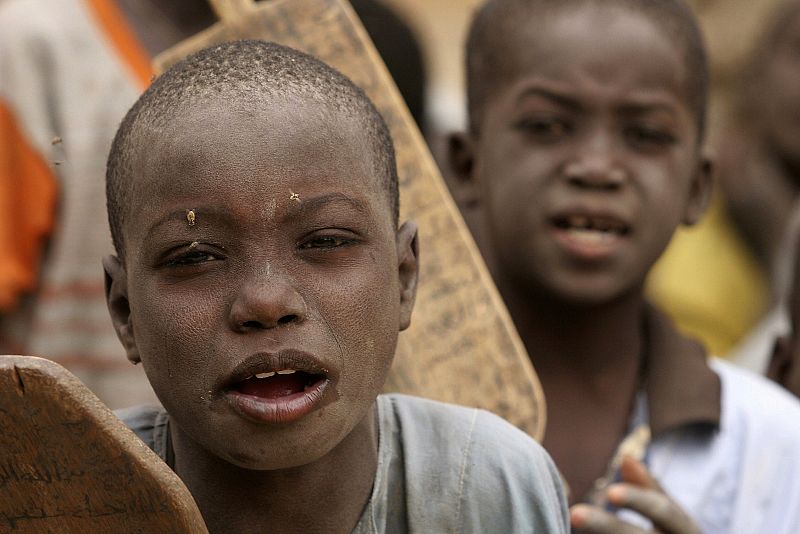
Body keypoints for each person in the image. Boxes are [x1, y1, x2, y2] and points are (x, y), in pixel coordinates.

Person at [106, 40, 569, 533]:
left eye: (325, 242)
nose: (266, 303)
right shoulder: (60, 494)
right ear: (125, 311)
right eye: (196, 256)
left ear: (403, 278)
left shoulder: (484, 487)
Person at [449, 0, 800, 532]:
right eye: (546, 126)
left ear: (698, 186)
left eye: (646, 136)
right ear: (466, 164)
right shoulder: (378, 418)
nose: (596, 167)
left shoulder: (771, 444)